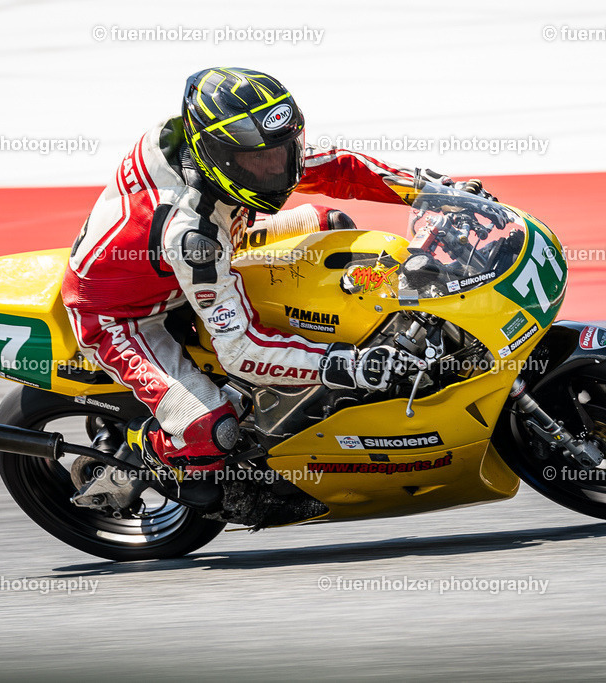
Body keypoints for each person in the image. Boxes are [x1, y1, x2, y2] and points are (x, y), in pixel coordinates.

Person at [62, 67, 490, 509]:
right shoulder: (191, 231)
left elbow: (337, 166)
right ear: (216, 155)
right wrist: (350, 366)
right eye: (259, 161)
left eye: (285, 151)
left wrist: (431, 189)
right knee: (211, 429)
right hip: (124, 314)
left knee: (333, 230)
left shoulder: (222, 148)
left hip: (224, 233)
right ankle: (145, 455)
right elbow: (241, 349)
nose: (278, 170)